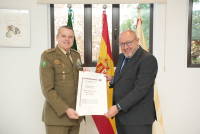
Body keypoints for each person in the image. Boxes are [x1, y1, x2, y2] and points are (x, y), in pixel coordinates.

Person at [104, 30, 158, 134]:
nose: (125, 47)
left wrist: (118, 107)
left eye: (128, 43)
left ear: (137, 41)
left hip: (138, 120)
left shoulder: (148, 59)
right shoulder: (122, 56)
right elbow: (126, 78)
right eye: (122, 44)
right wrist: (113, 79)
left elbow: (140, 90)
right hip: (122, 117)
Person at [40, 25, 89, 134]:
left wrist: (85, 77)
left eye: (70, 37)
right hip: (57, 117)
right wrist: (66, 109)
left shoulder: (76, 55)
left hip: (75, 115)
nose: (67, 39)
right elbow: (47, 89)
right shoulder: (48, 56)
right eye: (64, 36)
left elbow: (77, 82)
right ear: (57, 37)